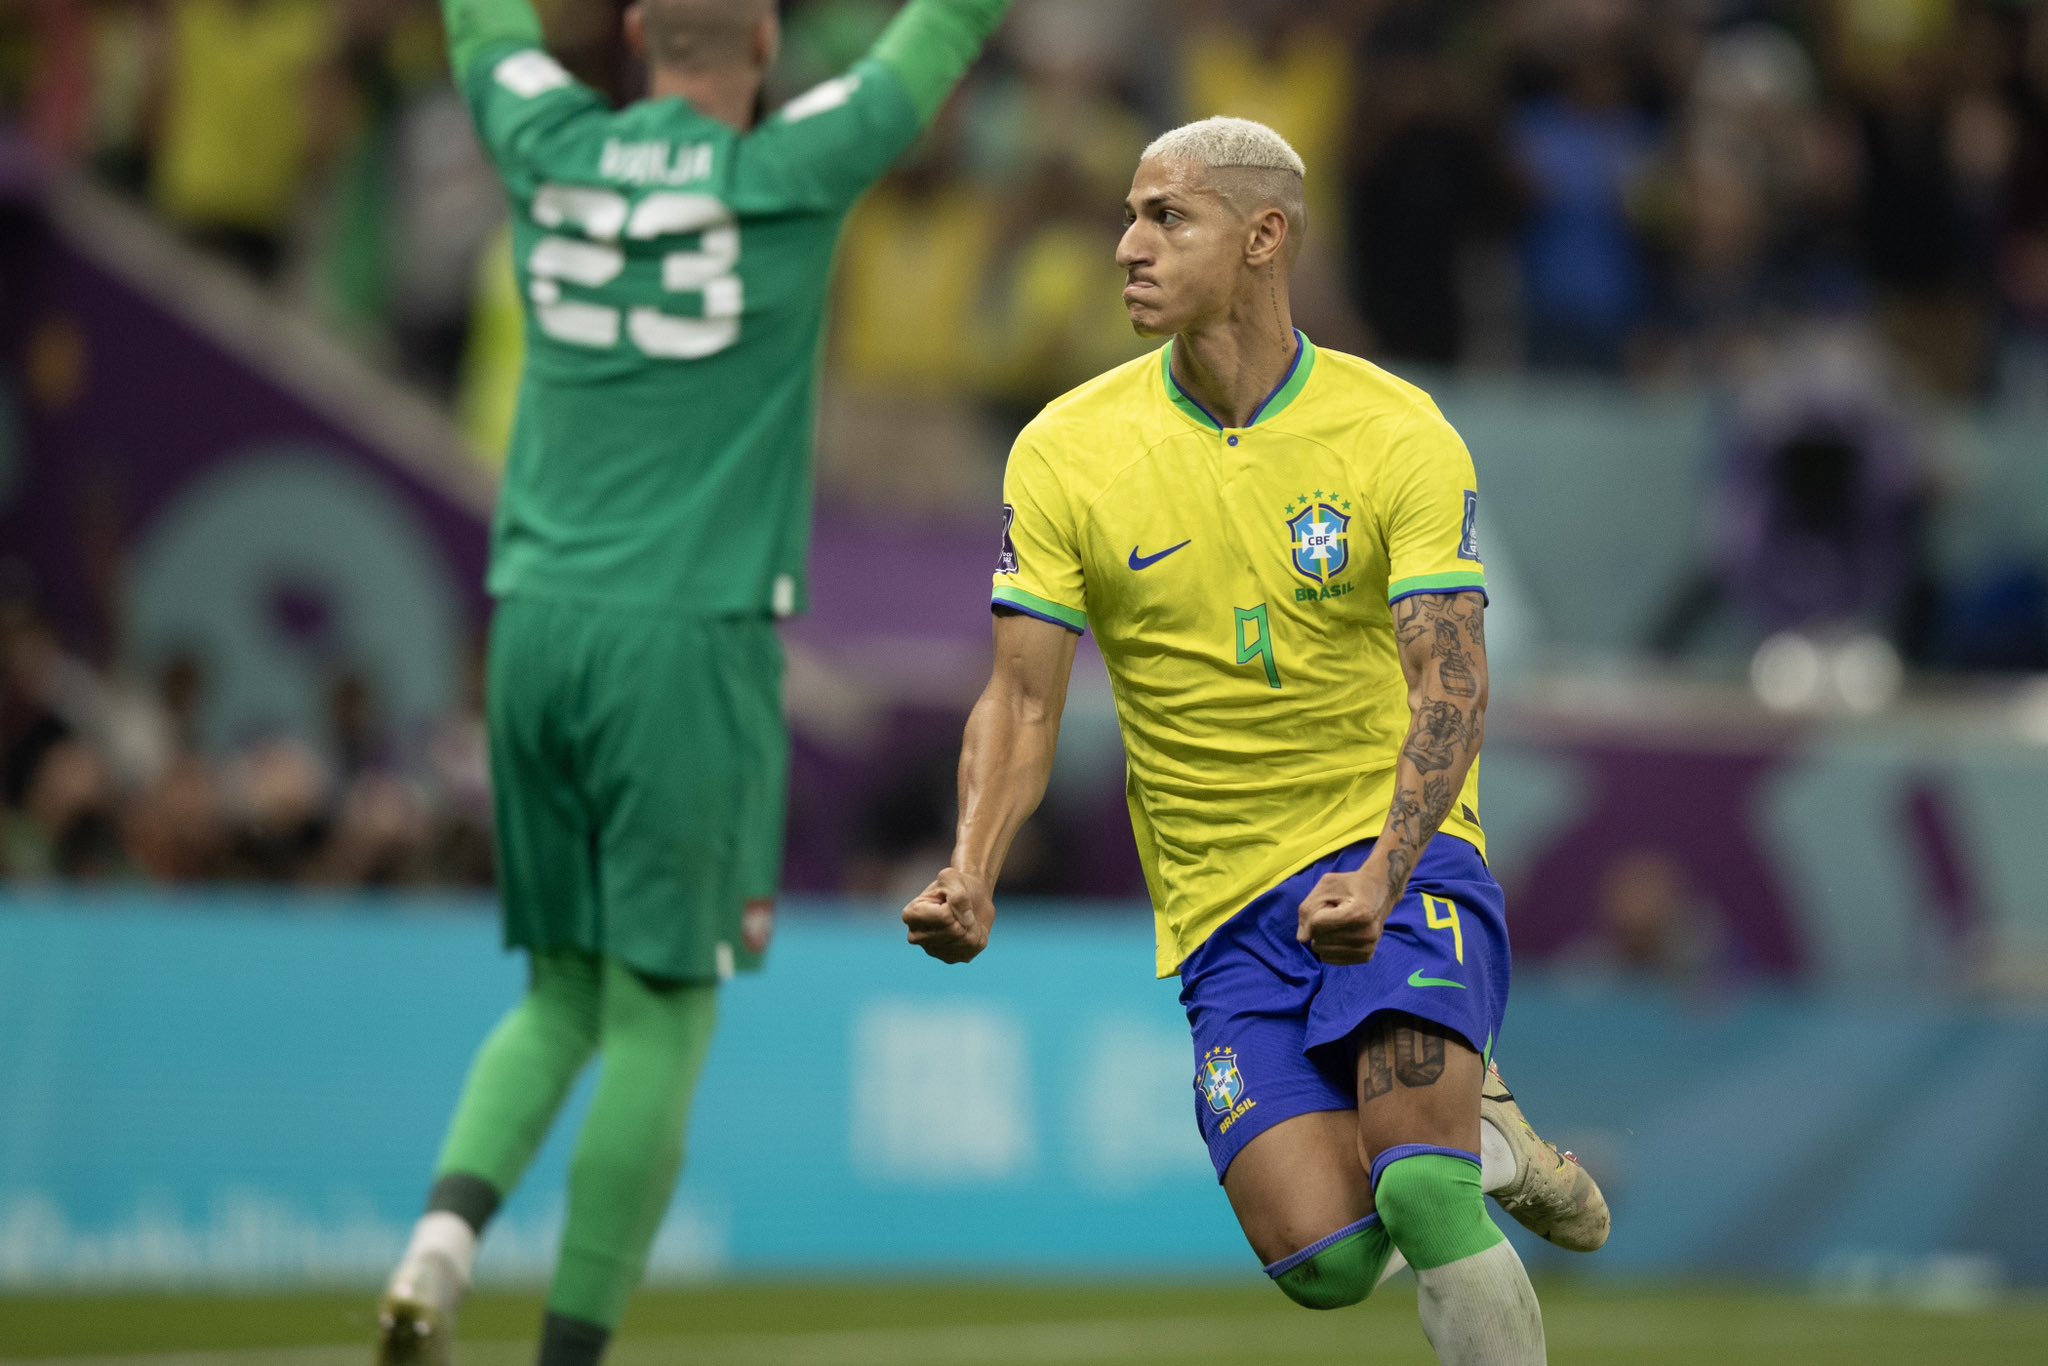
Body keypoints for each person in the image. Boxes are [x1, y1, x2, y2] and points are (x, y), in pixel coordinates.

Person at [903, 117, 1607, 1365]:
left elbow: (1449, 682)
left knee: (1417, 1191)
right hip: (1224, 913)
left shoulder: (1394, 431)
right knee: (1327, 1263)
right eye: (1126, 214)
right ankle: (1483, 1132)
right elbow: (1018, 700)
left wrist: (1388, 869)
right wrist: (972, 863)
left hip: (1396, 863)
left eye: (1164, 217)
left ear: (1264, 235)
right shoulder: (1067, 446)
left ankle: (1451, 1148)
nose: (1124, 246)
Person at [375, 2, 1014, 1363]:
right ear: (766, 44)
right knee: (665, 1005)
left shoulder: (545, 135)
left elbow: (479, 22)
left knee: (559, 988)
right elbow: (944, 30)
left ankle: (441, 1237)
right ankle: (568, 1350)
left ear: (629, 32)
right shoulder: (788, 167)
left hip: (534, 623)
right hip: (691, 635)